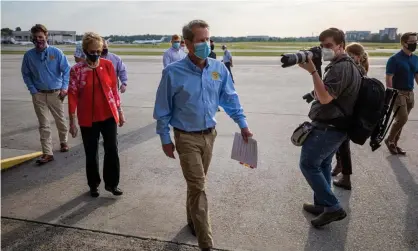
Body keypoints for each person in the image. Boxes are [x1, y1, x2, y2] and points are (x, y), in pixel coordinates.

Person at [153, 19, 253, 251]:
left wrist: (243, 124)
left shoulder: (218, 69)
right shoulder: (172, 72)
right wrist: (165, 139)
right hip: (186, 137)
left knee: (196, 184)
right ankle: (206, 243)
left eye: (208, 39)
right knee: (199, 187)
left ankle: (193, 221)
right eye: (200, 40)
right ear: (187, 43)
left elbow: (230, 99)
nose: (205, 44)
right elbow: (162, 109)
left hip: (210, 135)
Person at [297, 28, 362, 227]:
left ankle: (332, 207)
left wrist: (313, 71)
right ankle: (322, 203)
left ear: (340, 46)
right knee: (324, 164)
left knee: (308, 164)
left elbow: (325, 98)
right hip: (338, 126)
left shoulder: (340, 67)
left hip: (329, 127)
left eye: (329, 46)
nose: (324, 49)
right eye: (322, 45)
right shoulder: (348, 64)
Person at [68, 32, 126, 198]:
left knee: (112, 149)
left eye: (99, 51)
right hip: (88, 118)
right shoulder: (77, 70)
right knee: (91, 152)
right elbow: (72, 94)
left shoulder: (108, 66)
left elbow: (114, 91)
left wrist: (120, 112)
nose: (95, 54)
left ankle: (112, 184)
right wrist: (72, 120)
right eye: (92, 50)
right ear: (85, 50)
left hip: (108, 116)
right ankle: (93, 184)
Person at [21, 24, 71, 164]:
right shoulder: (29, 56)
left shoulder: (56, 52)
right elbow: (26, 74)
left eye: (41, 37)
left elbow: (67, 70)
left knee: (60, 120)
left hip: (56, 93)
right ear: (32, 38)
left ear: (46, 36)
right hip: (39, 95)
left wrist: (64, 87)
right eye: (35, 37)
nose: (38, 40)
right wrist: (33, 90)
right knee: (44, 124)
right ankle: (47, 153)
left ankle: (63, 141)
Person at [332, 42, 369, 190]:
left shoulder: (356, 70)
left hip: (348, 114)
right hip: (351, 113)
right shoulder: (361, 70)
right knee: (342, 144)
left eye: (351, 55)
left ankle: (345, 176)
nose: (348, 57)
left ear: (358, 57)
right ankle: (340, 166)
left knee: (343, 145)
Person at [384, 32, 418, 155]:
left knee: (402, 120)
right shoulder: (394, 59)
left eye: (416, 41)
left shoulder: (415, 58)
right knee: (402, 118)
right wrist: (392, 93)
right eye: (412, 41)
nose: (415, 43)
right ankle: (389, 140)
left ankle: (395, 143)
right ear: (404, 43)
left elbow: (416, 75)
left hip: (410, 93)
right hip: (398, 93)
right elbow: (389, 78)